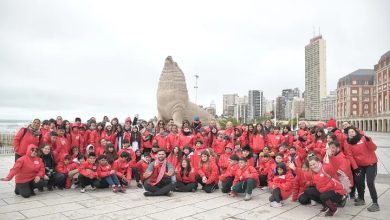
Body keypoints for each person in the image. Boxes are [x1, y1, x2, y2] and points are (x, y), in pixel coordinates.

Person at [343, 127, 379, 212]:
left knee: (370, 183)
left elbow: (374, 148)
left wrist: (369, 141)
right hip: (359, 165)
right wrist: (355, 168)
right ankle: (361, 199)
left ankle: (375, 203)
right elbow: (350, 156)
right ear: (347, 134)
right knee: (358, 181)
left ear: (356, 132)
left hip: (371, 163)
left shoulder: (363, 138)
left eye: (352, 131)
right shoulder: (347, 142)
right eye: (349, 132)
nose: (351, 133)